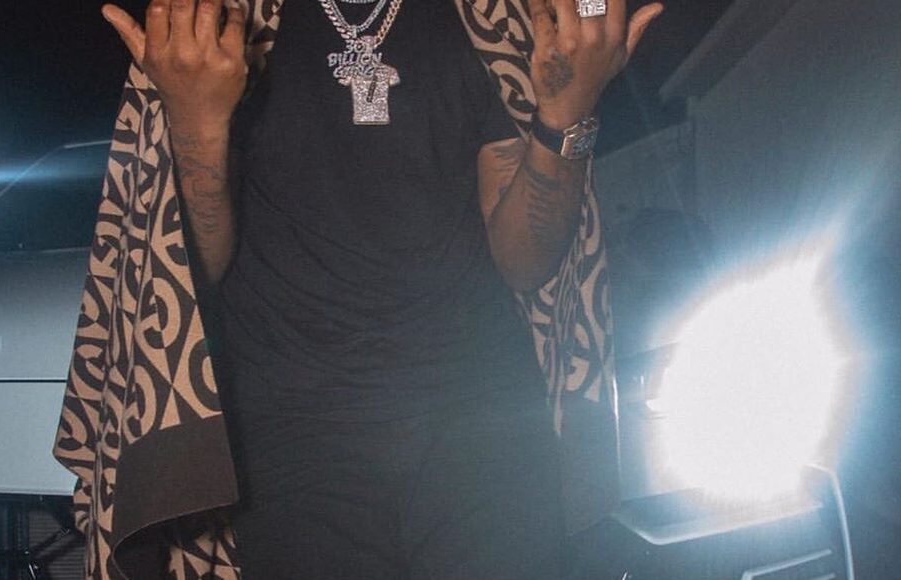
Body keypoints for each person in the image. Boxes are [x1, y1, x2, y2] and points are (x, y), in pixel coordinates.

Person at [54, 0, 661, 578]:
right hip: (293, 433)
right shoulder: (219, 25)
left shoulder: (489, 20)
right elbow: (190, 274)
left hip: (485, 420)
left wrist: (566, 116)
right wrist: (196, 124)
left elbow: (524, 263)